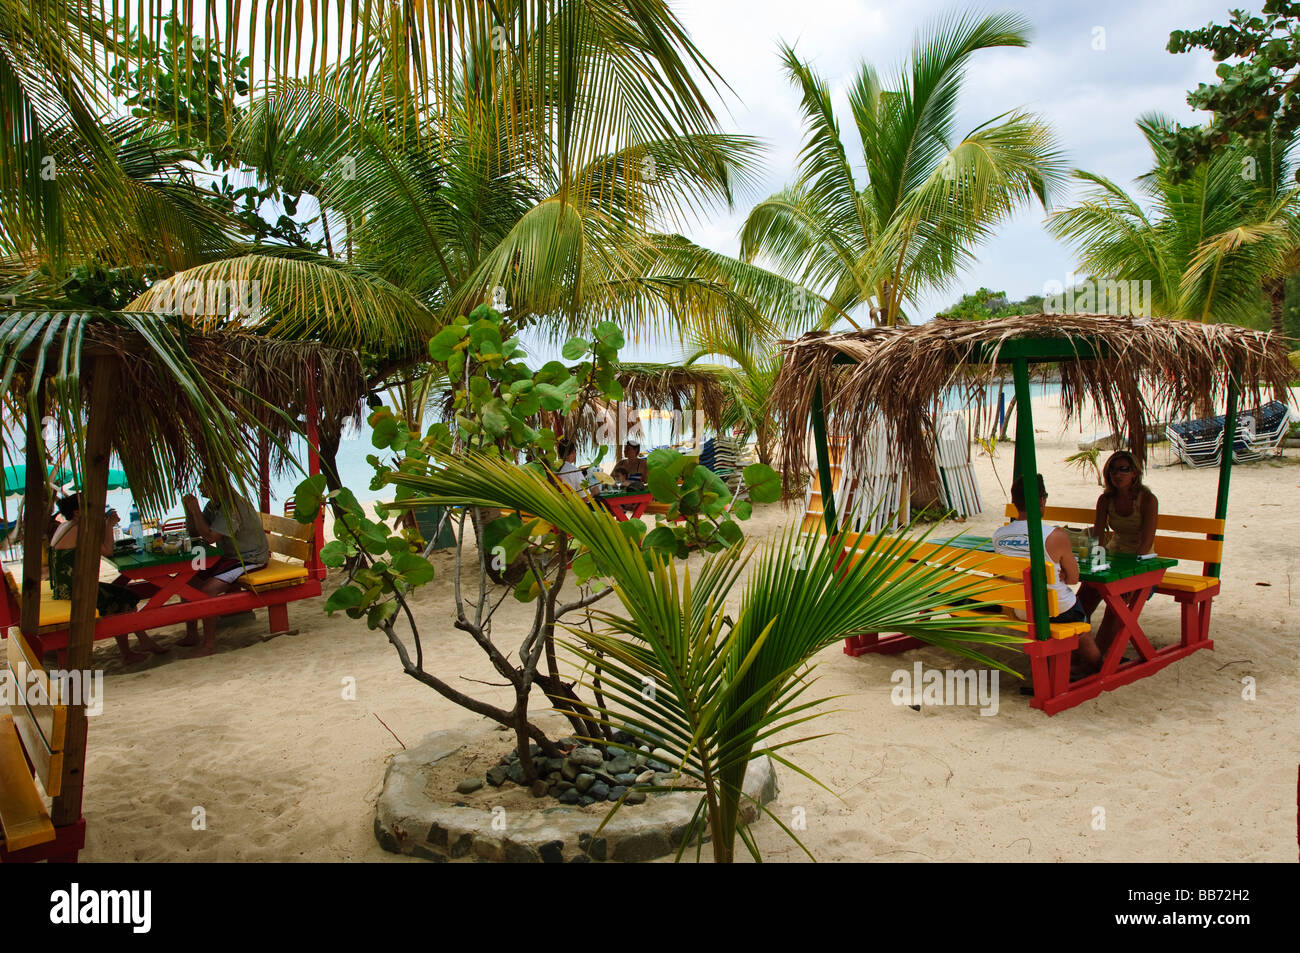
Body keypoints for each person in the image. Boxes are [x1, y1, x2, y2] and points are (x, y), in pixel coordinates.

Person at [993, 474, 1099, 674]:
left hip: (1021, 609)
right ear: (1041, 500)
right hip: (1056, 609)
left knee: (1067, 607)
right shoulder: (1054, 535)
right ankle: (1095, 665)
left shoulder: (999, 535)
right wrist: (1061, 574)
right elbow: (1074, 578)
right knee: (1080, 619)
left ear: (1015, 502)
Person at [49, 494, 166, 664]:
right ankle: (135, 648)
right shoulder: (79, 529)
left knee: (121, 596)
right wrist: (109, 525)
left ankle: (139, 644)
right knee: (125, 598)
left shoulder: (67, 525)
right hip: (75, 592)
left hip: (65, 587)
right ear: (76, 512)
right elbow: (107, 551)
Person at [1079, 450, 1159, 662]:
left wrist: (1129, 576)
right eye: (1113, 470)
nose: (1117, 474)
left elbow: (1146, 542)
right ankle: (1078, 652)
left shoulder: (1148, 500)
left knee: (1117, 605)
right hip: (1114, 557)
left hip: (1141, 563)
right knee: (1083, 596)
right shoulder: (1106, 500)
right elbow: (1097, 536)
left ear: (1134, 473)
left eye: (1123, 469)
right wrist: (1092, 565)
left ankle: (1096, 659)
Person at [179, 475, 269, 657]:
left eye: (204, 482)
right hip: (229, 556)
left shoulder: (232, 506)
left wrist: (196, 511)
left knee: (207, 590)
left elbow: (210, 537)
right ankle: (192, 633)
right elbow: (195, 531)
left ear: (216, 484)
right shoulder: (215, 504)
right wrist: (190, 512)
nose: (200, 486)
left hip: (249, 557)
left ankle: (209, 643)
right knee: (187, 583)